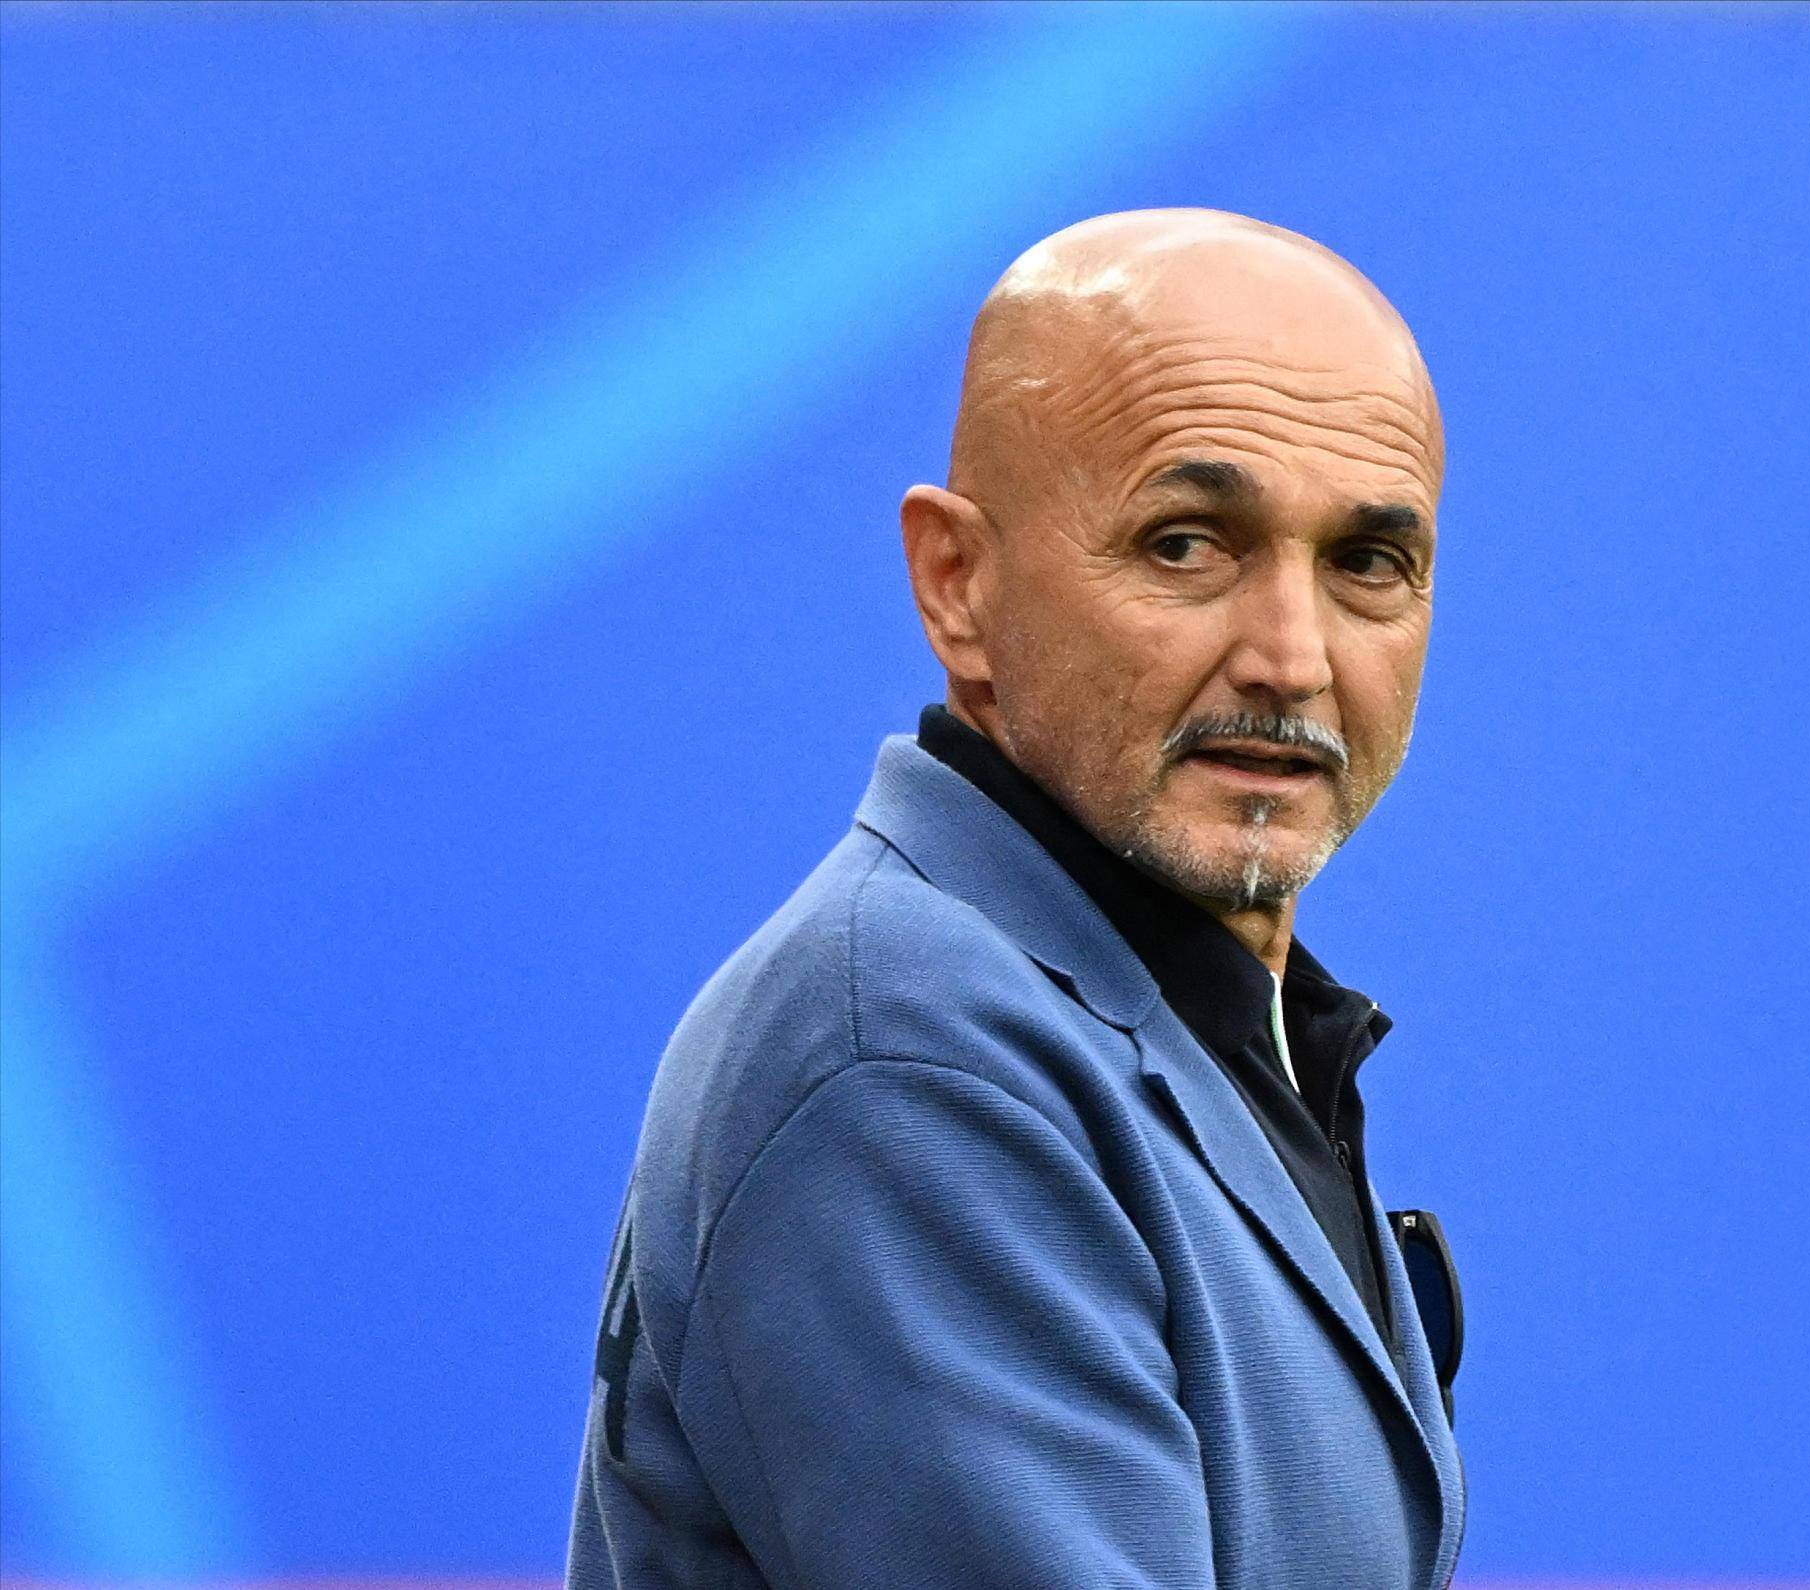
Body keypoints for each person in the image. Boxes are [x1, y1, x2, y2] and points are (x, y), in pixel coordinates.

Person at [568, 208, 1465, 1589]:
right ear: (957, 586)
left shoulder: (1188, 1020)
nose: (1292, 657)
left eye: (1365, 564)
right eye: (1186, 544)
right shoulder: (906, 1057)